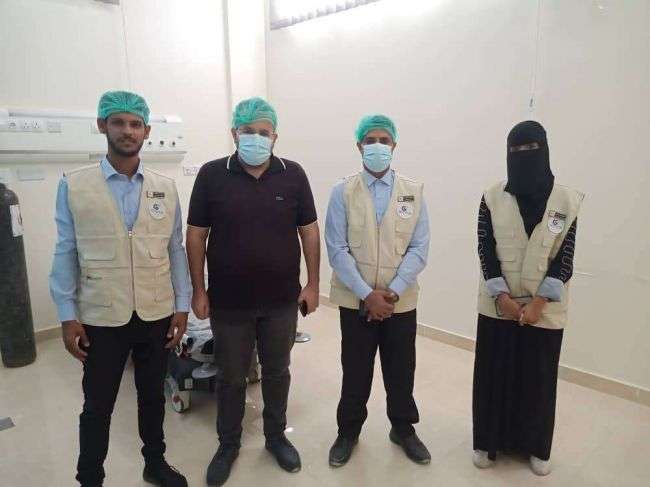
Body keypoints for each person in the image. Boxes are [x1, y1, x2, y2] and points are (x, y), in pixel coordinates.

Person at [49, 90, 191, 487]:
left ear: (146, 131)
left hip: (155, 311)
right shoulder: (75, 185)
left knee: (152, 397)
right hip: (101, 314)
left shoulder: (165, 186)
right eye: (118, 122)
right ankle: (90, 477)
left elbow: (175, 249)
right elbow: (65, 250)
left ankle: (154, 463)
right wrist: (67, 315)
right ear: (102, 126)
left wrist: (182, 306)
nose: (127, 131)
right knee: (98, 405)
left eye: (135, 124)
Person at [186, 97, 320, 486]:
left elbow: (309, 231)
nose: (256, 138)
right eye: (248, 131)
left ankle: (275, 437)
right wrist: (199, 290)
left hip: (281, 301)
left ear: (275, 136)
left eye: (264, 132)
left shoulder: (293, 174)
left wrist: (313, 284)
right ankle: (228, 444)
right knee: (231, 377)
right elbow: (196, 235)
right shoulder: (212, 175)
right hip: (229, 303)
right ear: (234, 133)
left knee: (277, 371)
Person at [473, 120, 583, 476]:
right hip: (498, 305)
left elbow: (565, 257)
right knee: (493, 375)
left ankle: (535, 446)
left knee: (537, 379)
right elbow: (485, 248)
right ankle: (487, 442)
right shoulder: (492, 196)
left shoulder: (567, 200)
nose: (522, 155)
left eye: (530, 148)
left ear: (545, 149)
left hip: (544, 309)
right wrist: (502, 296)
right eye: (515, 149)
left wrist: (538, 303)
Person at [324, 114, 431, 467]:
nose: (378, 146)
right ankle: (348, 432)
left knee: (401, 370)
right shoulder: (343, 192)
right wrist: (367, 295)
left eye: (384, 140)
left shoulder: (413, 191)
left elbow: (419, 247)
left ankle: (403, 429)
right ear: (359, 146)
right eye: (370, 140)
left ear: (394, 145)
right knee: (356, 370)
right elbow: (337, 248)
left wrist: (392, 292)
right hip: (356, 300)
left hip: (401, 301)